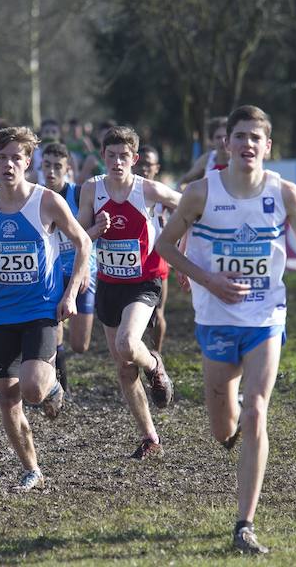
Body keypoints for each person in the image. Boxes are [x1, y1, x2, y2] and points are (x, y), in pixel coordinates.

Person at [156, 105, 296, 555]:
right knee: (222, 429)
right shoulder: (199, 193)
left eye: (257, 137)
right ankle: (230, 413)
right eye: (241, 136)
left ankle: (244, 524)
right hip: (214, 319)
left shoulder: (285, 193)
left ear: (267, 146)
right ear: (226, 144)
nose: (248, 144)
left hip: (265, 318)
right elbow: (163, 247)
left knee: (256, 410)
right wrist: (208, 278)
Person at [0, 126, 91, 491]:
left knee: (32, 389)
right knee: (6, 394)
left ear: (28, 161)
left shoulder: (46, 201)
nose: (8, 164)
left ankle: (50, 388)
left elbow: (83, 243)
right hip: (0, 312)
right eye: (1, 157)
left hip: (40, 308)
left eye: (16, 157)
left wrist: (70, 293)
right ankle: (31, 468)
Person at [77, 125, 180, 459]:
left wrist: (181, 242)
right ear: (103, 157)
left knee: (127, 344)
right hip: (109, 284)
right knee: (123, 367)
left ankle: (155, 366)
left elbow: (185, 205)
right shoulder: (91, 190)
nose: (117, 162)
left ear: (134, 159)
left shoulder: (146, 190)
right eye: (111, 156)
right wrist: (96, 229)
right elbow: (80, 237)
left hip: (143, 282)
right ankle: (150, 437)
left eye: (124, 156)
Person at [40, 142, 97, 395]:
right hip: (53, 275)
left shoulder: (78, 194)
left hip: (82, 272)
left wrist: (84, 268)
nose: (51, 171)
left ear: (68, 168)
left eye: (57, 166)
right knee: (55, 334)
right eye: (47, 165)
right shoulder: (36, 197)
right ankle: (59, 386)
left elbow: (89, 237)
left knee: (81, 345)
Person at [132, 145, 170, 353]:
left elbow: (185, 218)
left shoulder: (162, 194)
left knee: (158, 313)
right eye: (141, 164)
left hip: (157, 260)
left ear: (157, 168)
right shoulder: (124, 191)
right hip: (130, 263)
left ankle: (156, 354)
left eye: (149, 165)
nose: (144, 169)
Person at [178, 116, 229, 187]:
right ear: (211, 141)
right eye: (218, 137)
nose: (223, 141)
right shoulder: (208, 159)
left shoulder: (239, 160)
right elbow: (184, 179)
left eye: (226, 137)